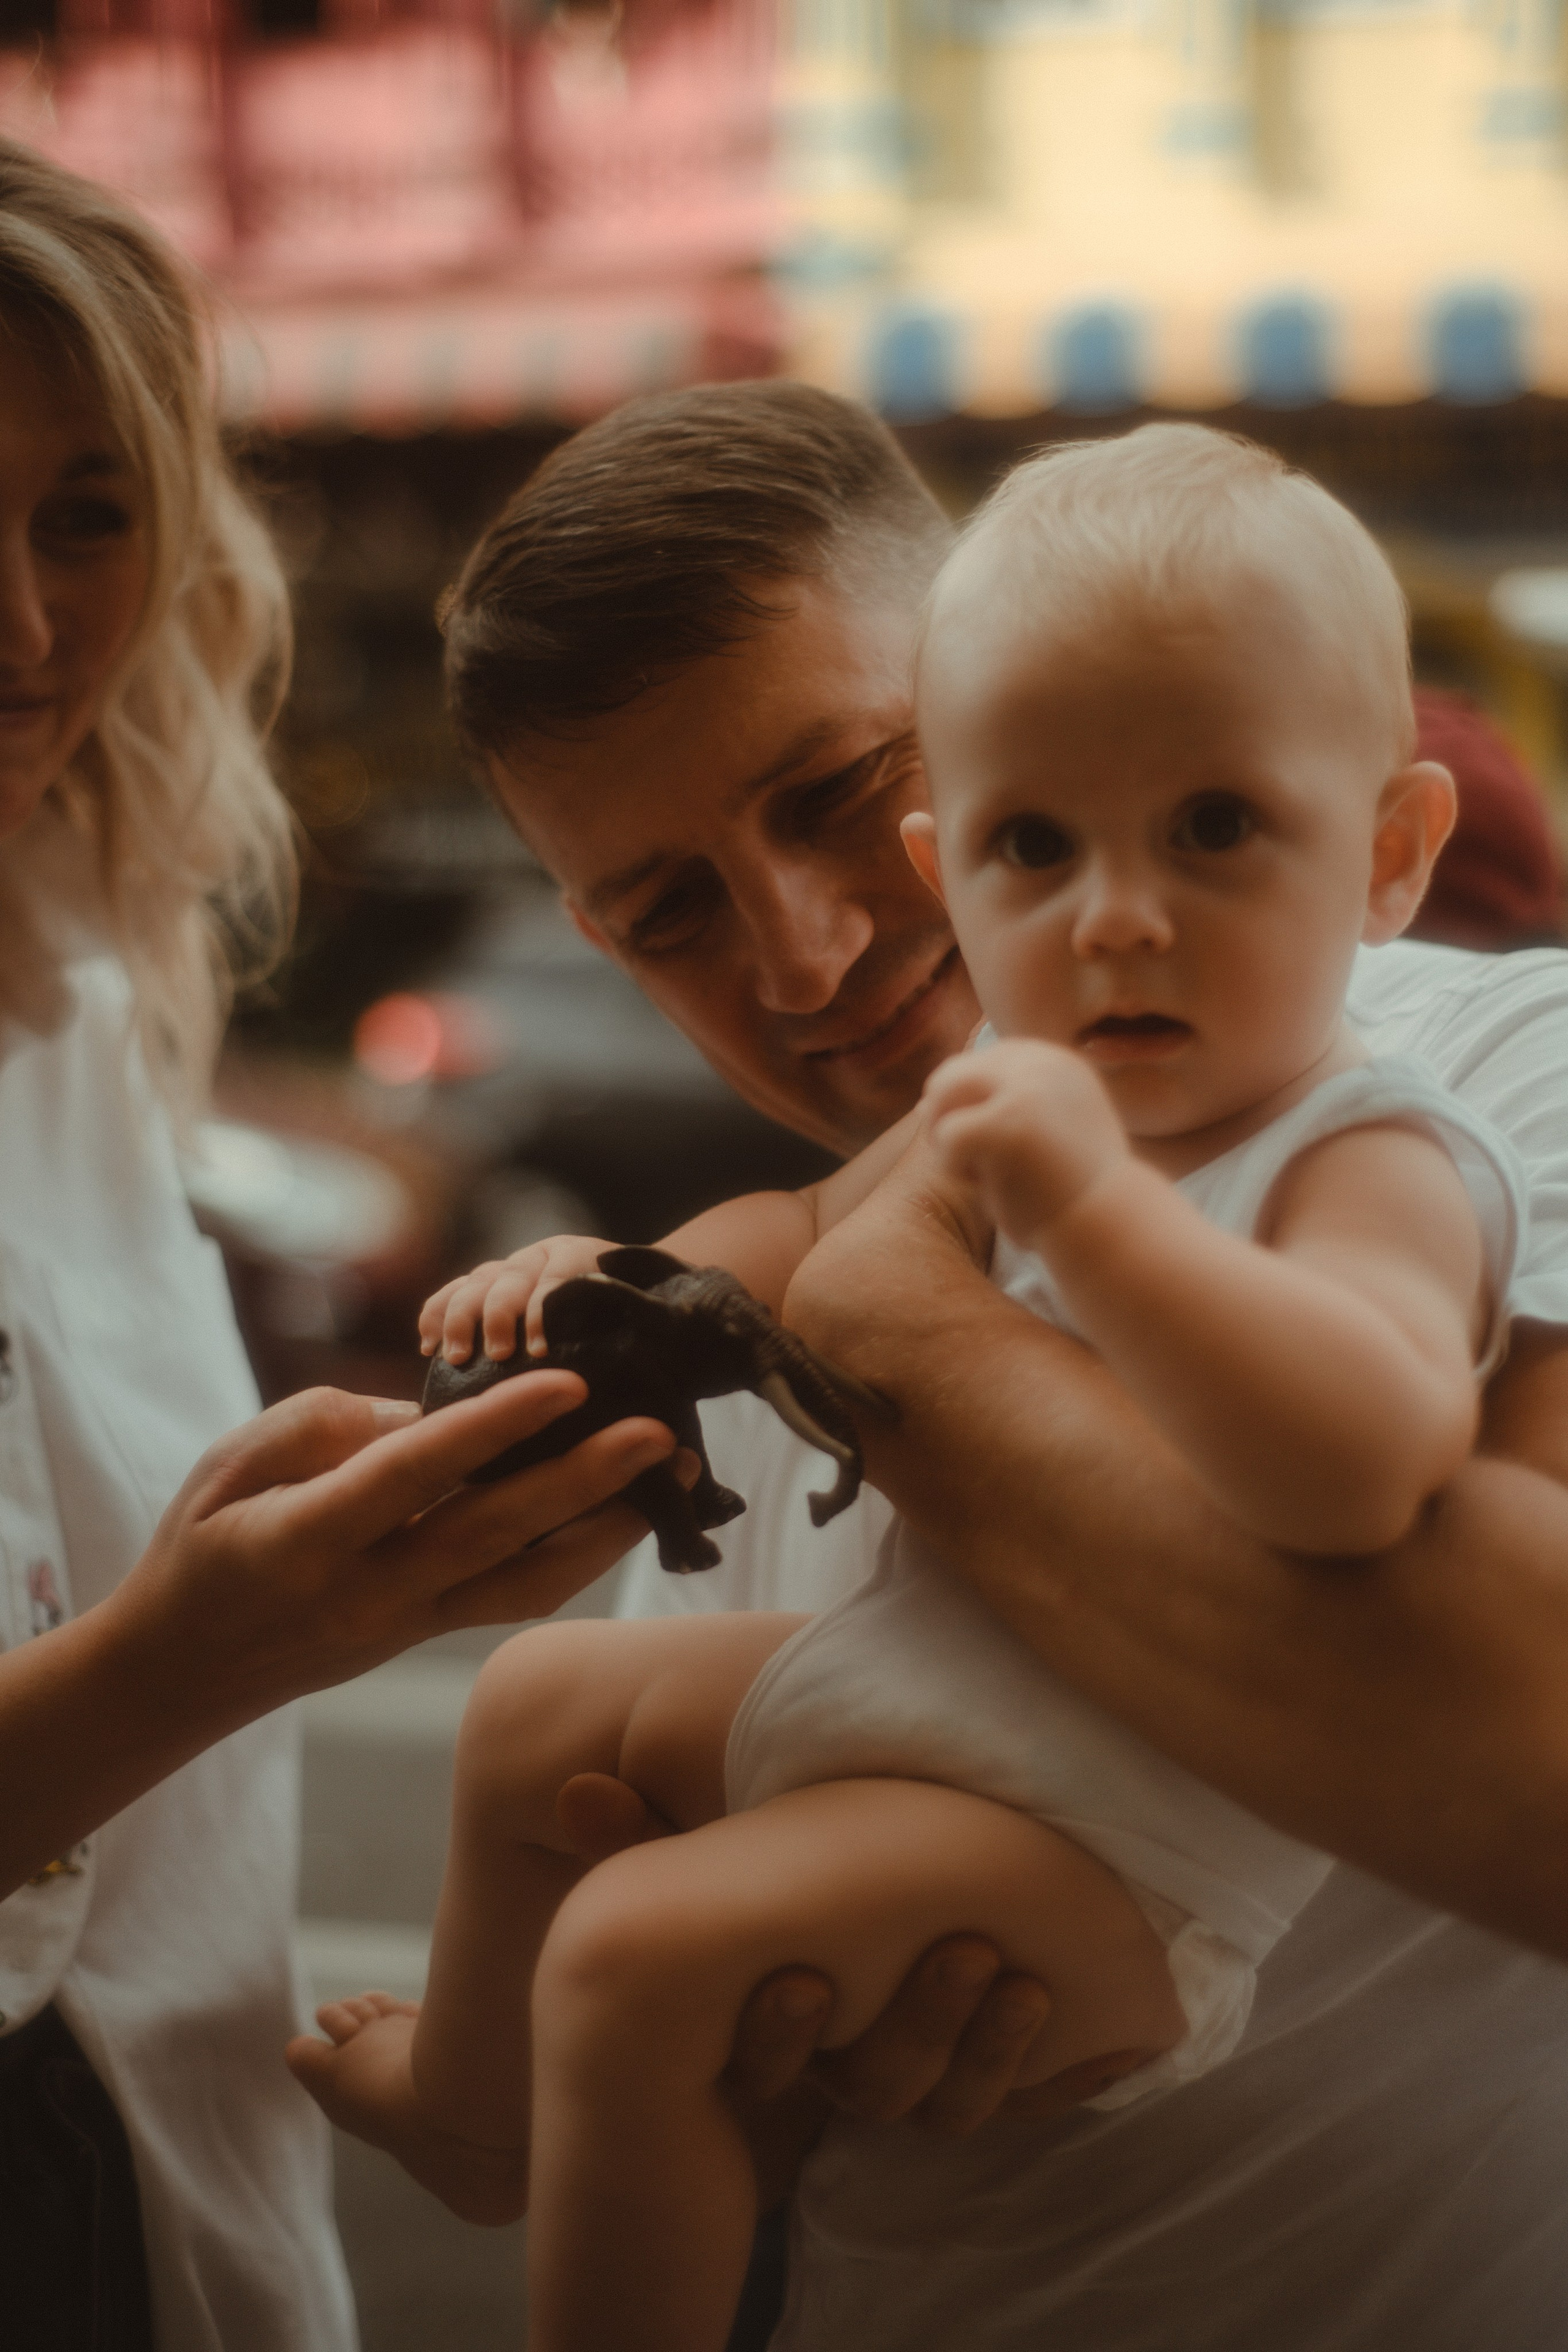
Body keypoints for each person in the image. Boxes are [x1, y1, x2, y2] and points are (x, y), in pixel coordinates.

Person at [289, 380, 1568, 2350]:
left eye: (827, 793)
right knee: (553, 1741)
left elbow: (1525, 1730)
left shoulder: (1493, 1077)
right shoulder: (821, 1271)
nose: (805, 959)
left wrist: (910, 1300)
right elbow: (683, 2085)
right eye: (673, 913)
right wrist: (768, 2060)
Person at [0, 140, 718, 2352]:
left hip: (175, 2181)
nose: (23, 629)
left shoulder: (81, 979)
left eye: (85, 517)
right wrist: (209, 1648)